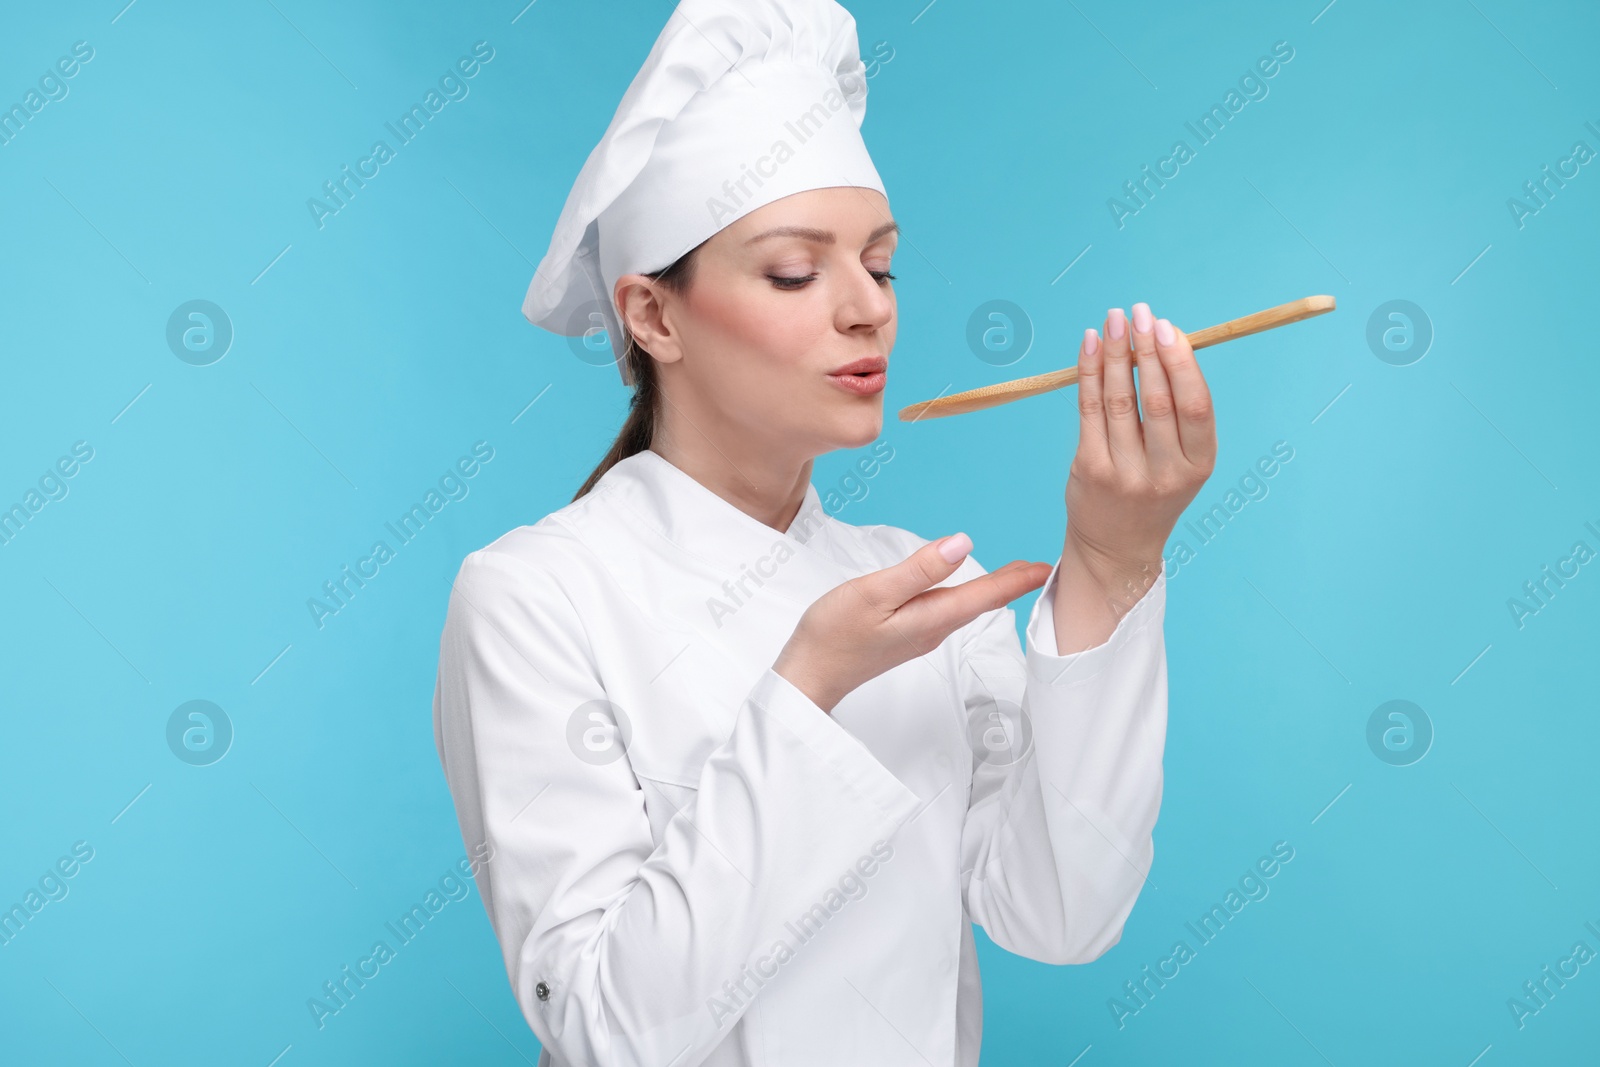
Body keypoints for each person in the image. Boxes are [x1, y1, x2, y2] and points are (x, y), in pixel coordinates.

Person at [431, 0, 1216, 1063]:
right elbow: (605, 1030)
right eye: (796, 271)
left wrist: (1115, 559)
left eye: (881, 265)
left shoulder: (914, 584)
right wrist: (806, 690)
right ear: (654, 316)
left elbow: (1060, 914)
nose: (868, 309)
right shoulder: (536, 595)